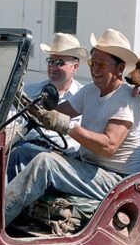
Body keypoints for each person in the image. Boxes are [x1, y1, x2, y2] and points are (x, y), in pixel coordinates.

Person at [4, 28, 140, 226]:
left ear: (120, 68)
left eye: (102, 64)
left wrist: (68, 127)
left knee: (46, 162)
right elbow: (58, 112)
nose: (95, 69)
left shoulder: (125, 100)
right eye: (93, 62)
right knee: (22, 153)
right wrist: (28, 105)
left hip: (117, 181)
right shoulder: (90, 91)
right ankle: (5, 212)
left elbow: (108, 146)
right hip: (90, 167)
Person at [6, 32, 87, 182]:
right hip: (25, 148)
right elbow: (10, 119)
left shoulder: (83, 97)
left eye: (59, 63)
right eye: (50, 61)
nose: (53, 67)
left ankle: (3, 204)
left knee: (18, 154)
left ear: (75, 67)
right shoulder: (30, 91)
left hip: (59, 158)